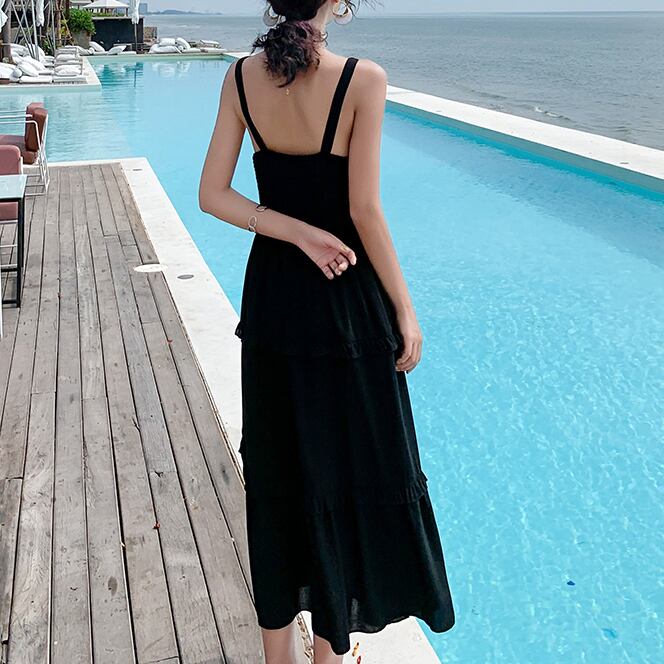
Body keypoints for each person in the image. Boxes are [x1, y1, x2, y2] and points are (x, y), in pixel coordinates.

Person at [198, 1, 455, 662]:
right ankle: (329, 652)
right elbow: (364, 210)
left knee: (278, 472)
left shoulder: (239, 78)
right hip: (345, 304)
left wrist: (292, 231)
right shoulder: (363, 78)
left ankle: (278, 654)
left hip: (273, 302)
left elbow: (213, 194)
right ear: (334, 2)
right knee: (348, 471)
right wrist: (405, 309)